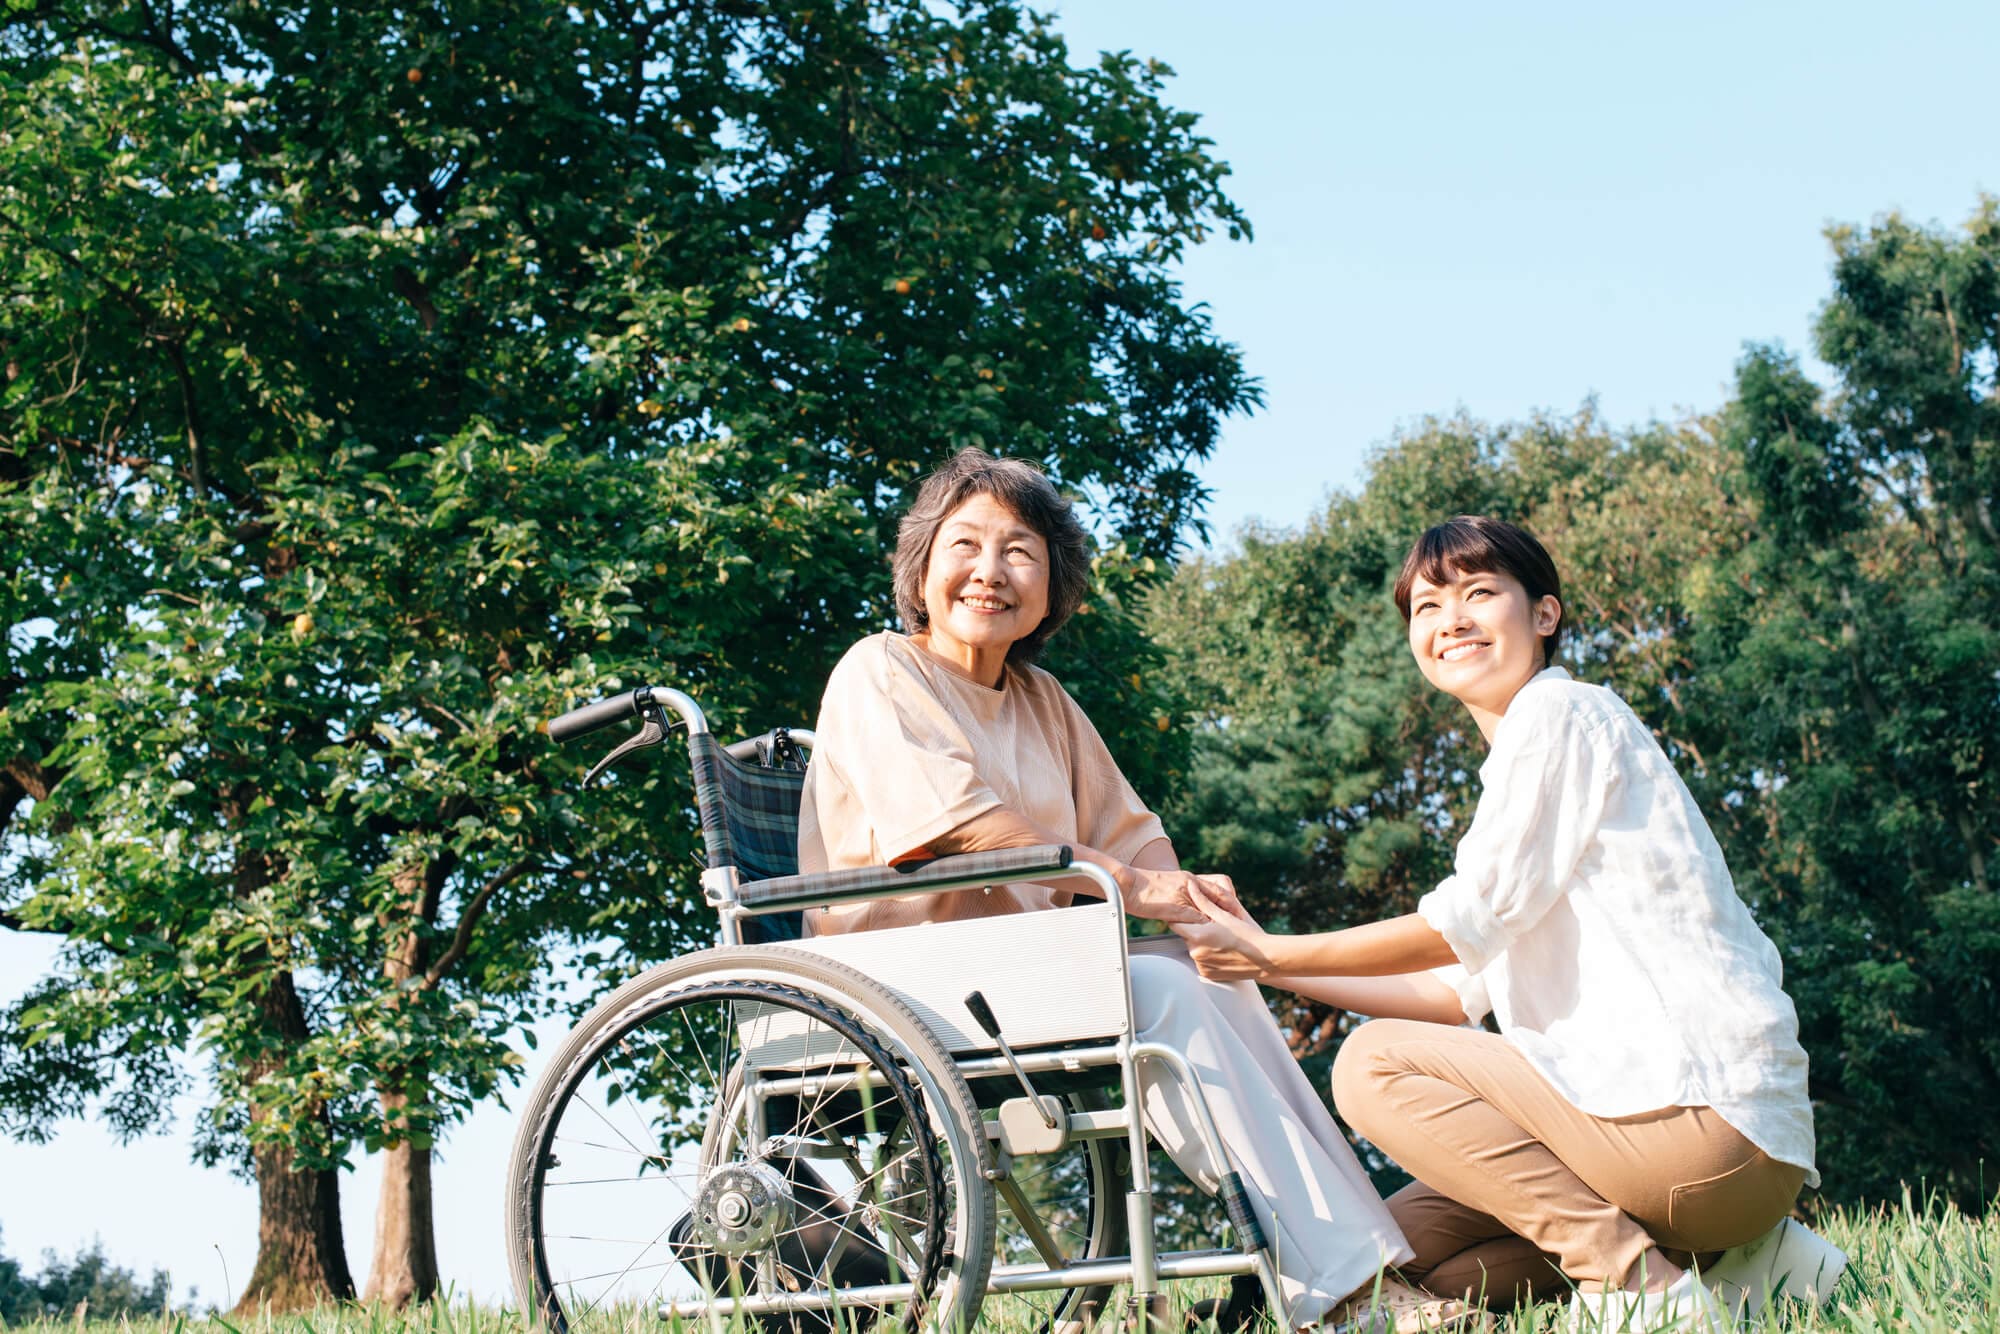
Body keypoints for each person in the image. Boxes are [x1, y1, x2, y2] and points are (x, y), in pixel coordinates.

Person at [797, 448, 1453, 1331]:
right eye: (966, 545)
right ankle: (1340, 1291)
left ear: (1052, 584)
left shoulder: (1044, 701)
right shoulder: (882, 669)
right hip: (902, 980)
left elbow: (1129, 839)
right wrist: (1139, 888)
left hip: (1012, 976)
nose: (990, 573)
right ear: (923, 564)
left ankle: (1352, 1272)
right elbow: (954, 824)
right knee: (1162, 987)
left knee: (1212, 969)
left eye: (1020, 552)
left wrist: (1194, 903)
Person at [1172, 515, 1846, 1330]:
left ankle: (1637, 1285)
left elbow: (1464, 922)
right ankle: (1742, 1263)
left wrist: (1272, 945)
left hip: (1697, 1124)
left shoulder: (1563, 717)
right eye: (1425, 607)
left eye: (1478, 594)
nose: (1449, 620)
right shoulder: (1526, 771)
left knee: (1372, 1066)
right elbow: (1451, 990)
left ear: (1545, 615)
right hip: (1670, 1144)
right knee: (1391, 1254)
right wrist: (1261, 963)